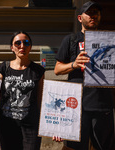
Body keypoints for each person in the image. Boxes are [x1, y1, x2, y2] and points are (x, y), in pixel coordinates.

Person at [54, 1, 114, 150]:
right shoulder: (71, 40)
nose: (93, 15)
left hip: (102, 105)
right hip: (75, 106)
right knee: (73, 148)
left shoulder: (109, 41)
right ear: (80, 18)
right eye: (89, 12)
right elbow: (57, 69)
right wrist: (74, 64)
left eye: (96, 12)